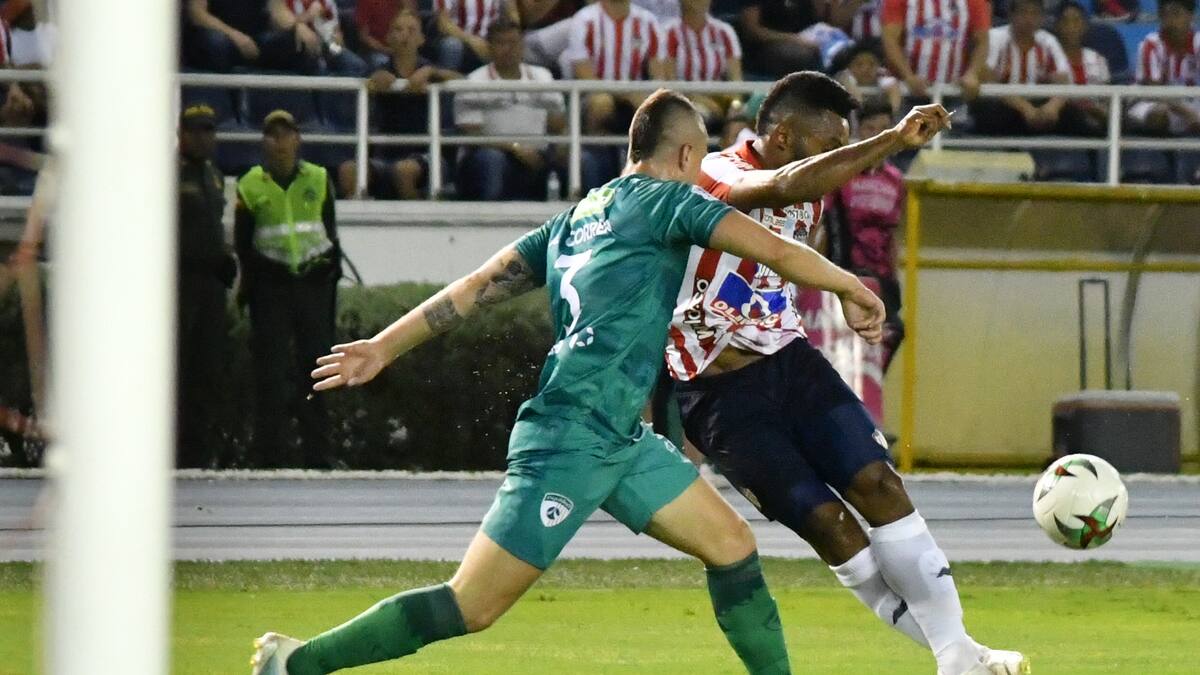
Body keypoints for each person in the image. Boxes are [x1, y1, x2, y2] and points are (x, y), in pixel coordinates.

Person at [248, 89, 914, 675]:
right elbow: (775, 248)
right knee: (471, 605)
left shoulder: (574, 220)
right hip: (569, 438)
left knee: (731, 544)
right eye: (702, 156)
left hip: (621, 438)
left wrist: (383, 346)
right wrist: (851, 285)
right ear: (687, 155)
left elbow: (476, 287)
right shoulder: (670, 202)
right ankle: (299, 662)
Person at [664, 72, 1028, 675]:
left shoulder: (809, 186)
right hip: (716, 393)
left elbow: (784, 251)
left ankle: (955, 658)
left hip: (789, 362)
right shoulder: (718, 174)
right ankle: (960, 654)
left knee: (880, 485)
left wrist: (838, 289)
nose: (840, 157)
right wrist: (893, 139)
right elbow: (781, 188)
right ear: (783, 137)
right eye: (829, 143)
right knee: (831, 527)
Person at [236, 110, 342, 468]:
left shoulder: (319, 178)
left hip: (312, 285)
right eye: (272, 135)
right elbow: (244, 243)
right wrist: (250, 287)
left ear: (298, 139)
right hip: (271, 287)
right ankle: (271, 456)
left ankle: (318, 455)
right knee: (270, 371)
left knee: (316, 369)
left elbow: (330, 232)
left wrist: (329, 275)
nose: (280, 142)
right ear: (263, 142)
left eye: (286, 134)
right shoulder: (250, 184)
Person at [337, 10, 462, 199]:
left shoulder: (431, 70)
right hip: (386, 155)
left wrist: (432, 72)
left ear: (421, 39)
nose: (405, 35)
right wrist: (373, 81)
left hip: (428, 155)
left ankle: (421, 214)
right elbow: (362, 88)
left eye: (411, 30)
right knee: (348, 170)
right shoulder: (379, 70)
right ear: (388, 38)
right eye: (398, 29)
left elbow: (463, 80)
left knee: (404, 171)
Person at [824, 98, 905, 373]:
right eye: (871, 128)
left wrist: (894, 277)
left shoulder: (895, 180)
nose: (879, 135)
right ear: (860, 131)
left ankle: (868, 387)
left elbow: (893, 234)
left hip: (881, 277)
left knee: (892, 332)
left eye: (885, 128)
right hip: (847, 274)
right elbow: (826, 227)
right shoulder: (842, 174)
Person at [176, 104, 236, 469]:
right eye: (194, 130)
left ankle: (198, 455)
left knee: (207, 368)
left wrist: (223, 256)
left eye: (208, 130)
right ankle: (174, 453)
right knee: (177, 369)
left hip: (210, 285)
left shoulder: (214, 174)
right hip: (179, 284)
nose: (202, 137)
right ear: (181, 134)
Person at [562, 0, 670, 191]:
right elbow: (584, 74)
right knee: (601, 103)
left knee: (654, 106)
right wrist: (624, 93)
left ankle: (650, 179)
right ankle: (595, 165)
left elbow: (658, 75)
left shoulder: (648, 22)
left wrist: (646, 98)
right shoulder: (585, 20)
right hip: (593, 94)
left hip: (635, 96)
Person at [453, 18, 566, 200]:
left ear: (522, 45)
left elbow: (558, 123)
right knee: (491, 159)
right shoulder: (474, 81)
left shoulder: (542, 77)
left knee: (574, 157)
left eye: (513, 43)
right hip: (489, 156)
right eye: (501, 43)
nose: (508, 49)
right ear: (489, 47)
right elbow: (473, 135)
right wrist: (515, 148)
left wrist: (560, 147)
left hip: (536, 154)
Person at [972, 0, 1071, 135]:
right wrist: (1025, 108)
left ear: (1042, 17)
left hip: (1037, 103)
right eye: (1023, 12)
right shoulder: (995, 37)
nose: (1029, 19)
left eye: (1035, 13)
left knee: (1070, 111)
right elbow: (987, 77)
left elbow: (1064, 80)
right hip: (1003, 104)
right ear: (1011, 15)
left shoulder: (1048, 41)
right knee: (988, 108)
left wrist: (1053, 107)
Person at [880, 0, 989, 100]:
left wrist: (972, 74)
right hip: (907, 90)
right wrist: (908, 76)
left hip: (954, 90)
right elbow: (890, 40)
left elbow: (982, 42)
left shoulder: (973, 2)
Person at [662, 0, 744, 131]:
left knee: (738, 120)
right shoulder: (668, 32)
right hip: (684, 99)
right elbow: (670, 82)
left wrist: (734, 106)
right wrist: (702, 100)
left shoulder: (725, 32)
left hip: (720, 98)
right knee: (696, 116)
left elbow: (736, 81)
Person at [1126, 0, 1200, 137]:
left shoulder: (1198, 43)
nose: (1170, 21)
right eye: (1165, 15)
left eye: (1176, 14)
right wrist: (1188, 114)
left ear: (1190, 16)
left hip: (1190, 102)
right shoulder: (1151, 45)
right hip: (1150, 101)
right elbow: (1155, 91)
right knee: (1159, 114)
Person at [184, 0, 315, 73]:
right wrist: (235, 36)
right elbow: (196, 13)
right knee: (216, 43)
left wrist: (297, 26)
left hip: (256, 41)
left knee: (297, 42)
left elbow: (277, 11)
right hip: (219, 37)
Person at [1054, 1, 1111, 137]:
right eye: (1065, 22)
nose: (1071, 27)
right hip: (1066, 118)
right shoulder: (1050, 59)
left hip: (1097, 115)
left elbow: (1106, 97)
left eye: (1076, 21)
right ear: (1057, 26)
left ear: (1085, 26)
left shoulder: (1097, 59)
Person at [268, 0, 369, 76]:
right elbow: (279, 23)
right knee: (318, 66)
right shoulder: (284, 2)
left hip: (327, 45)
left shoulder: (327, 2)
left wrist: (336, 38)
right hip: (298, 47)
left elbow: (337, 33)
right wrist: (307, 16)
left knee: (356, 65)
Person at [433, 0, 520, 72]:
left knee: (520, 44)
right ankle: (448, 84)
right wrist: (472, 40)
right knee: (452, 45)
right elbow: (443, 23)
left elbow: (512, 15)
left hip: (494, 39)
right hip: (461, 39)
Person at [739, 0, 822, 76]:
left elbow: (818, 20)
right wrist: (793, 39)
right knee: (800, 56)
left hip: (806, 40)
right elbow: (752, 31)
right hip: (764, 47)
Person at [353, 0, 415, 70]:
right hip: (375, 51)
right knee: (385, 63)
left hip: (401, 48)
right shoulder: (366, 2)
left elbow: (413, 25)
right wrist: (387, 50)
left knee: (418, 64)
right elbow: (364, 37)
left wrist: (407, 5)